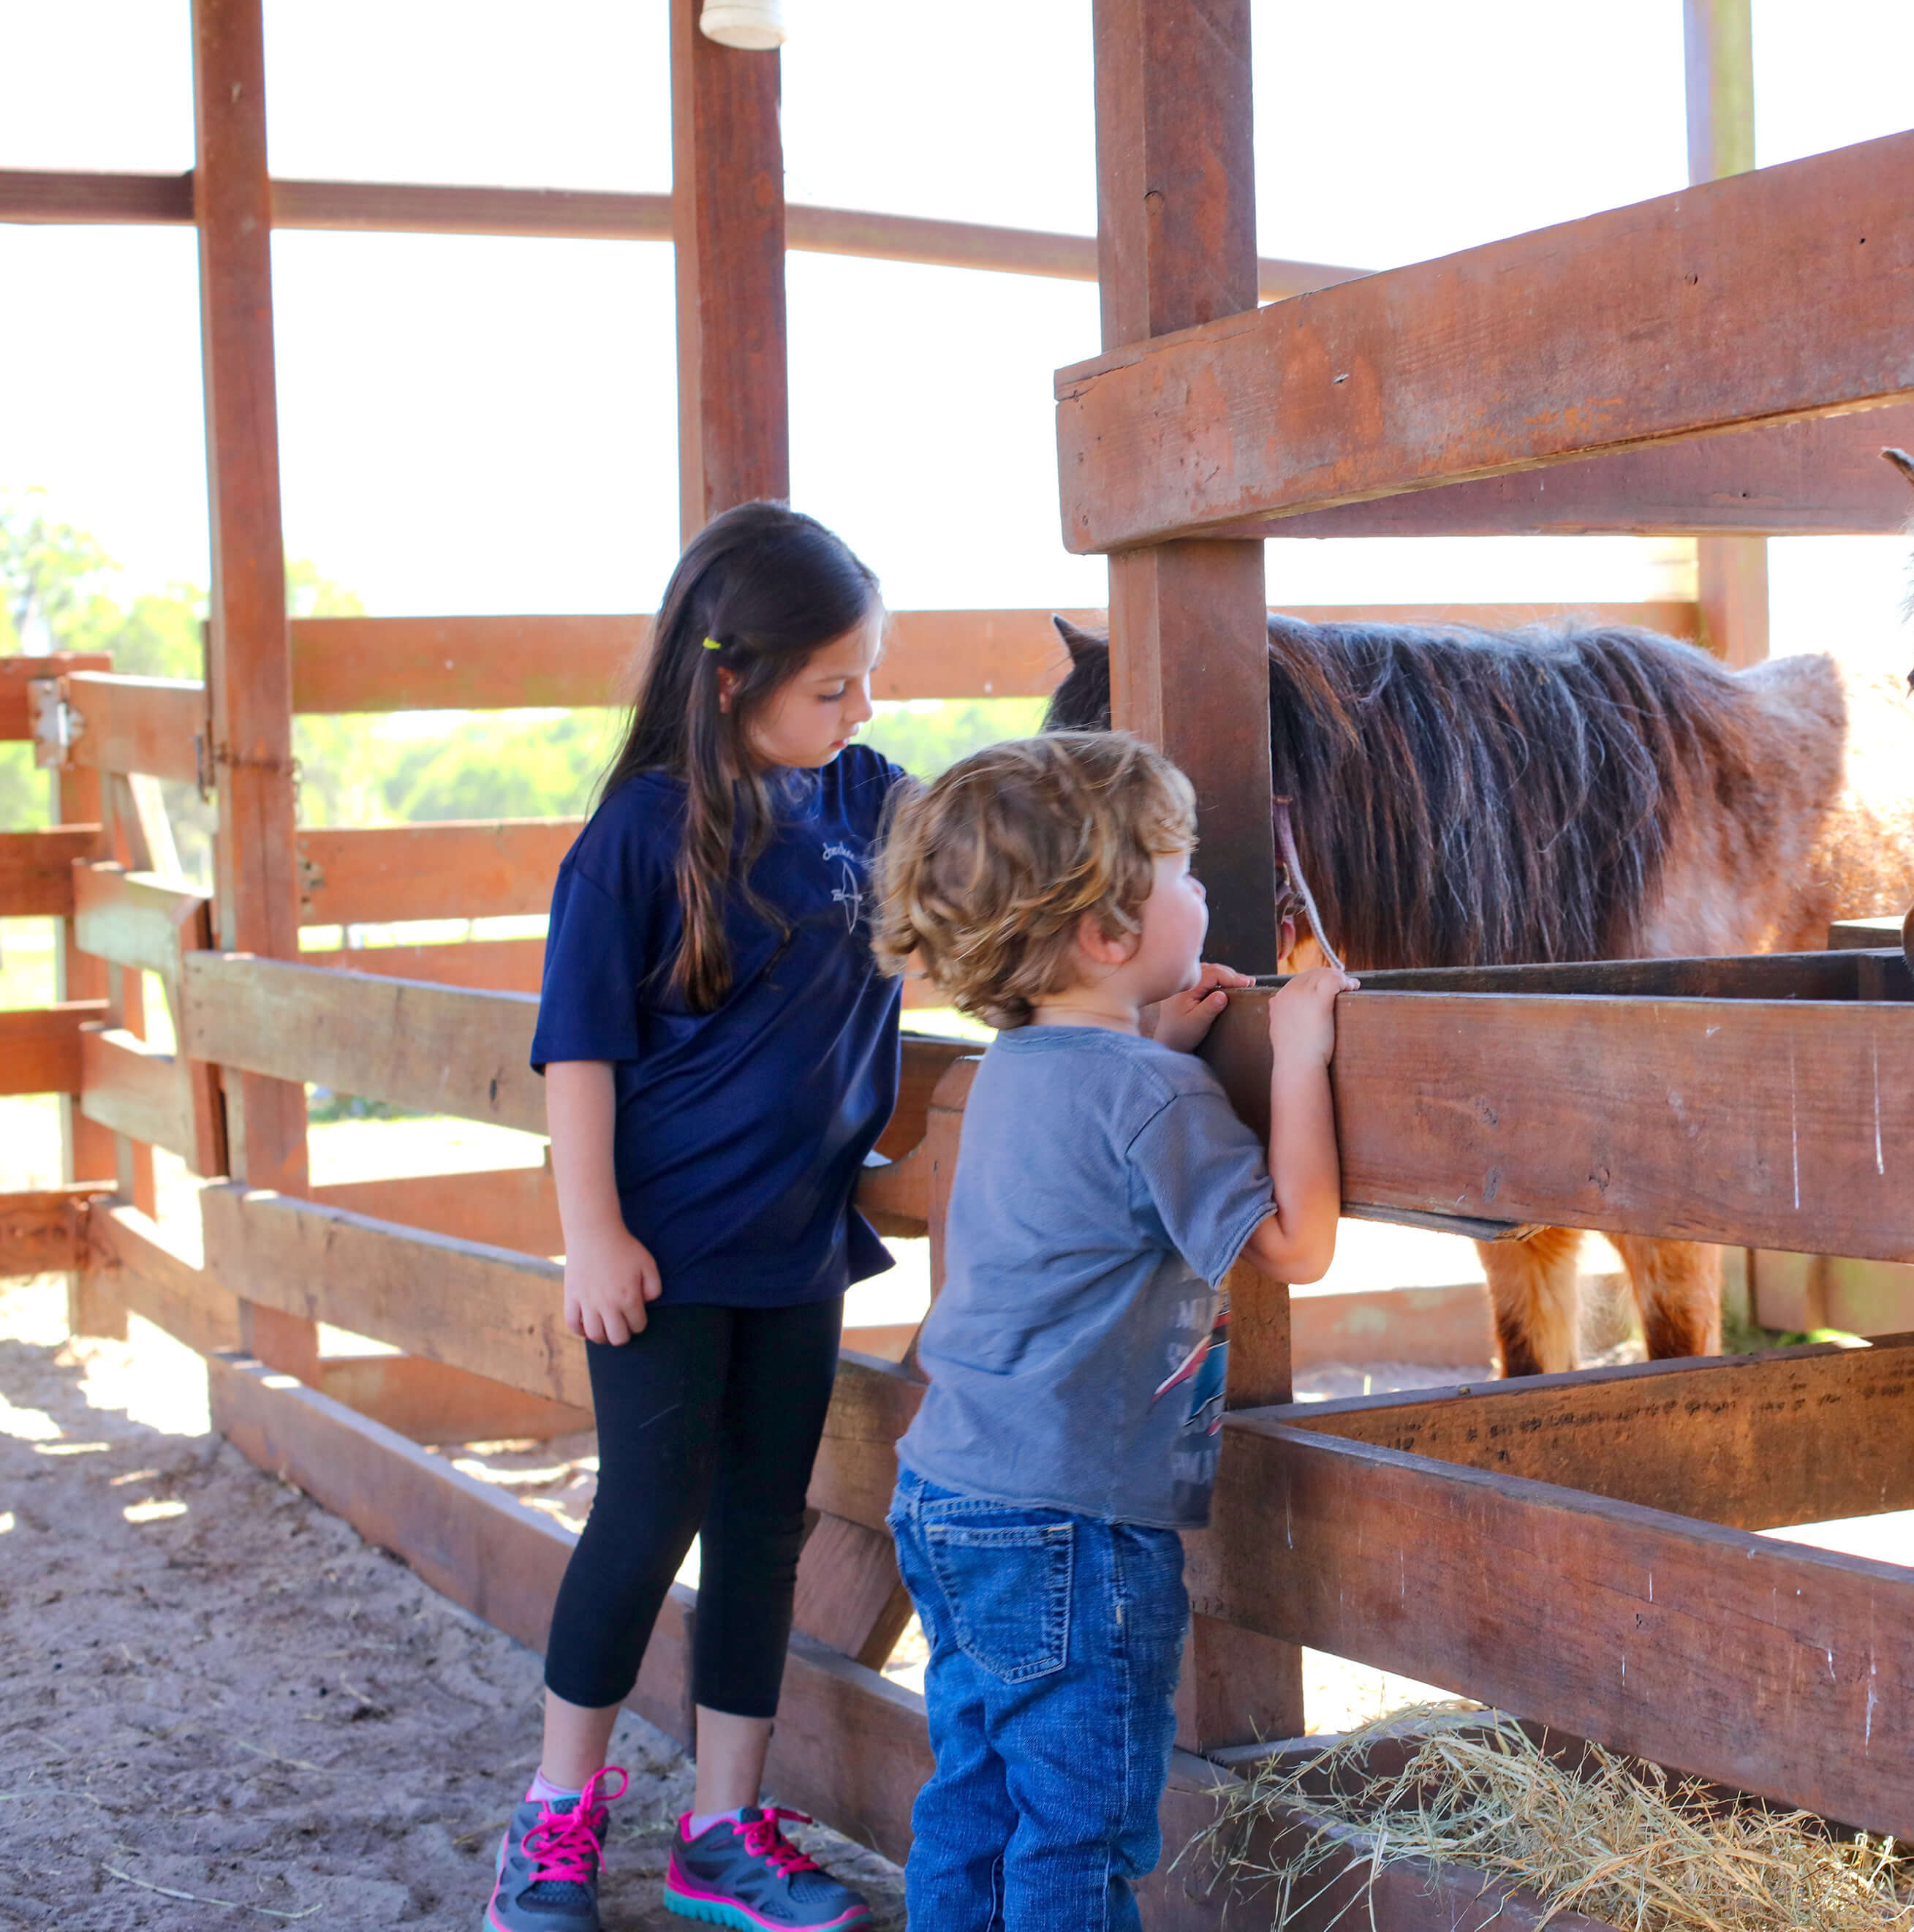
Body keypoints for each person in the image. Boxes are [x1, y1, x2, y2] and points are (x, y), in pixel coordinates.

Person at [485, 502, 896, 1932]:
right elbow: (580, 1046)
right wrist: (589, 1229)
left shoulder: (867, 802)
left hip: (795, 1249)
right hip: (659, 1252)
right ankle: (553, 1817)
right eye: (830, 684)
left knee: (763, 1523)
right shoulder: (638, 833)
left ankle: (723, 1822)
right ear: (732, 680)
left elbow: (988, 894)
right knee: (646, 1511)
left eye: (865, 679)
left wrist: (1147, 969)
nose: (859, 707)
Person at [870, 733, 1355, 1931]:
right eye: (1183, 871)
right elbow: (1299, 1245)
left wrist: (1160, 1044)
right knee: (1080, 1843)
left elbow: (1102, 1149)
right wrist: (1300, 1051)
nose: (1206, 891)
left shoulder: (1024, 1067)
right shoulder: (1149, 1094)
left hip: (951, 1493)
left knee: (975, 1808)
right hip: (1073, 1526)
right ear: (1104, 934)